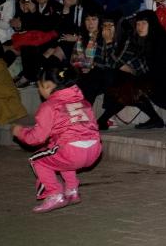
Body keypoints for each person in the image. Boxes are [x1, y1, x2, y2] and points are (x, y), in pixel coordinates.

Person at [10, 63, 102, 213]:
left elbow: (37, 138)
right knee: (58, 155)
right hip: (94, 150)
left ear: (48, 85)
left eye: (39, 86)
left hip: (72, 151)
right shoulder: (84, 102)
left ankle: (54, 194)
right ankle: (72, 191)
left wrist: (20, 132)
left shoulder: (50, 106)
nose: (39, 90)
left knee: (38, 160)